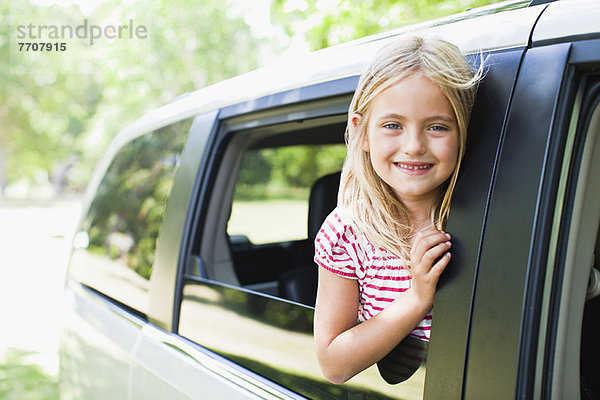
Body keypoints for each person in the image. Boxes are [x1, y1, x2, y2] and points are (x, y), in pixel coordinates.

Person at [313, 35, 481, 385]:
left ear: (463, 131)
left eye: (437, 127)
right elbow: (334, 363)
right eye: (393, 125)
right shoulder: (348, 233)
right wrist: (418, 298)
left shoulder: (492, 213)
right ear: (362, 132)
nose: (414, 146)